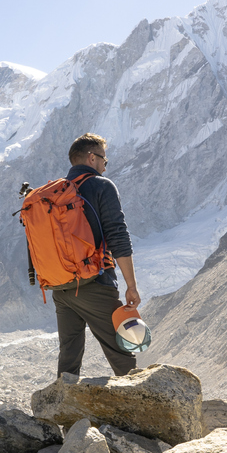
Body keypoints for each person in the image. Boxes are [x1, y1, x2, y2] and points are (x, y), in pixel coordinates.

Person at [53, 132, 141, 377]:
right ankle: (146, 411)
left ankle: (63, 412)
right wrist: (131, 286)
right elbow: (118, 236)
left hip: (61, 287)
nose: (105, 164)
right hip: (94, 284)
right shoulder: (102, 186)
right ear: (91, 158)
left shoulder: (56, 192)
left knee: (69, 358)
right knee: (121, 352)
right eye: (104, 159)